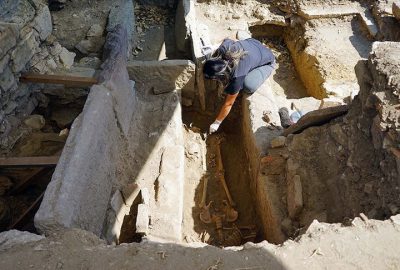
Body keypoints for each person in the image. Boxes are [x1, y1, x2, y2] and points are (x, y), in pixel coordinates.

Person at [203, 37, 276, 134]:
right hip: (253, 43)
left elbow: (228, 104)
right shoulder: (223, 49)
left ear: (221, 76)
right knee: (247, 60)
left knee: (249, 86)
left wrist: (217, 122)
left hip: (267, 60)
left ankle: (263, 66)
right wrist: (214, 46)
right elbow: (227, 38)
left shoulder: (237, 77)